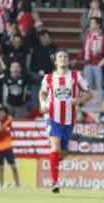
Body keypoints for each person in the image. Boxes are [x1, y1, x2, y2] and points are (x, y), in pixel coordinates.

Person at [39, 49, 93, 193]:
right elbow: (42, 92)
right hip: (52, 117)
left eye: (65, 56)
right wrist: (42, 103)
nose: (63, 59)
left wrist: (79, 100)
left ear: (68, 60)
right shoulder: (48, 78)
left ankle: (55, 161)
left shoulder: (76, 76)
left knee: (62, 152)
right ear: (55, 61)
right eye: (60, 57)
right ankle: (54, 182)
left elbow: (89, 93)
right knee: (55, 148)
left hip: (69, 119)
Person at [0, 106, 21, 188]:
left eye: (3, 112)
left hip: (8, 147)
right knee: (1, 168)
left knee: (13, 167)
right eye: (0, 112)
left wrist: (8, 121)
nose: (2, 114)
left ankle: (18, 184)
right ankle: (1, 185)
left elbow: (5, 129)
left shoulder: (8, 121)